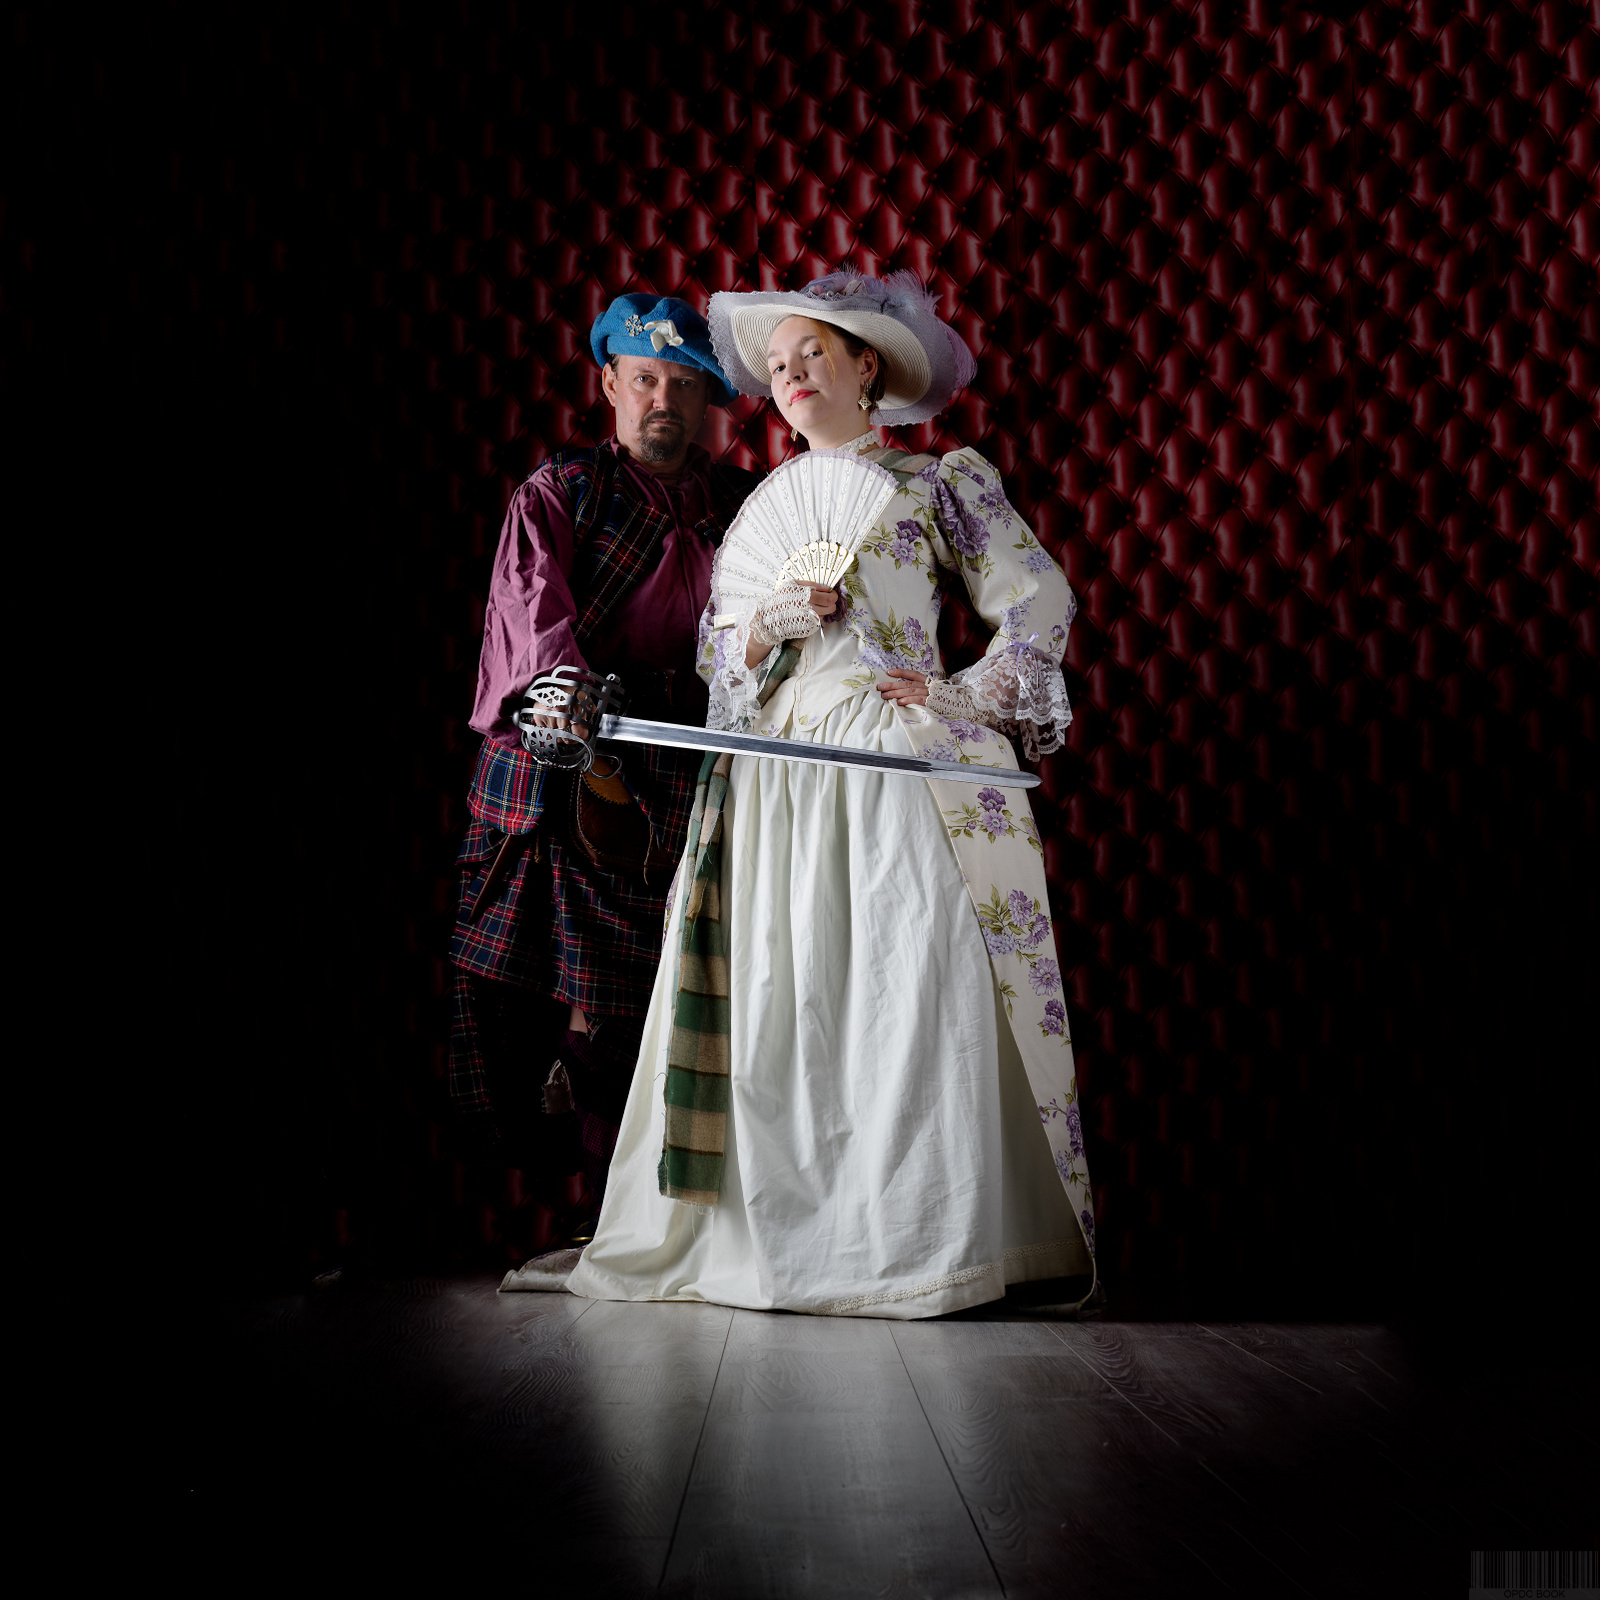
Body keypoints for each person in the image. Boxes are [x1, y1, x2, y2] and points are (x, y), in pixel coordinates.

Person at [563, 272, 1097, 1316]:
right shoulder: (758, 509)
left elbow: (1038, 597)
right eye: (776, 363)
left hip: (890, 760)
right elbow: (722, 661)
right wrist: (768, 624)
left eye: (813, 351)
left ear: (868, 367)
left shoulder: (938, 483)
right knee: (784, 998)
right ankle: (790, 1240)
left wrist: (960, 692)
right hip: (773, 776)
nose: (791, 372)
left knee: (903, 992)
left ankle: (917, 1239)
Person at [450, 292, 761, 1251]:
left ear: (709, 399)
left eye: (684, 384)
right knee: (588, 1010)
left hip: (697, 763)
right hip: (581, 757)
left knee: (677, 1003)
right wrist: (568, 704)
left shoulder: (744, 504)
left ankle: (660, 1224)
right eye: (645, 380)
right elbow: (532, 616)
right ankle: (603, 1219)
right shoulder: (564, 491)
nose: (664, 400)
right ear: (610, 385)